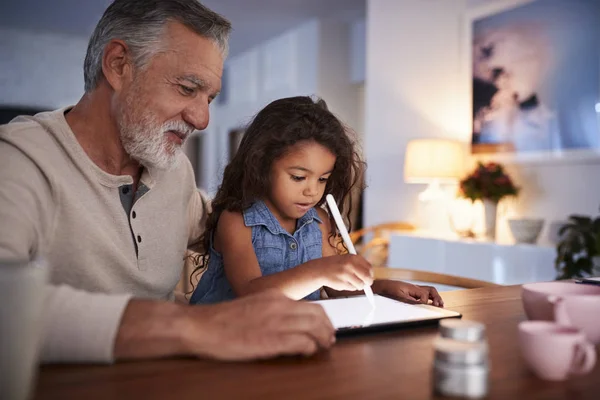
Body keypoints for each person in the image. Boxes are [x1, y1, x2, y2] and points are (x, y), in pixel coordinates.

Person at [0, 0, 335, 363]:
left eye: (209, 97)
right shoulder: (17, 160)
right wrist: (195, 326)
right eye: (188, 88)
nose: (202, 119)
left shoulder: (174, 172)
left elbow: (225, 225)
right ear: (118, 65)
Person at [189, 96, 443, 307]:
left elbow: (335, 290)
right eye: (298, 177)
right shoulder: (237, 221)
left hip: (291, 337)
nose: (312, 192)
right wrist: (321, 270)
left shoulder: (319, 221)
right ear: (261, 166)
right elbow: (251, 295)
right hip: (224, 339)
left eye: (323, 179)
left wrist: (383, 287)